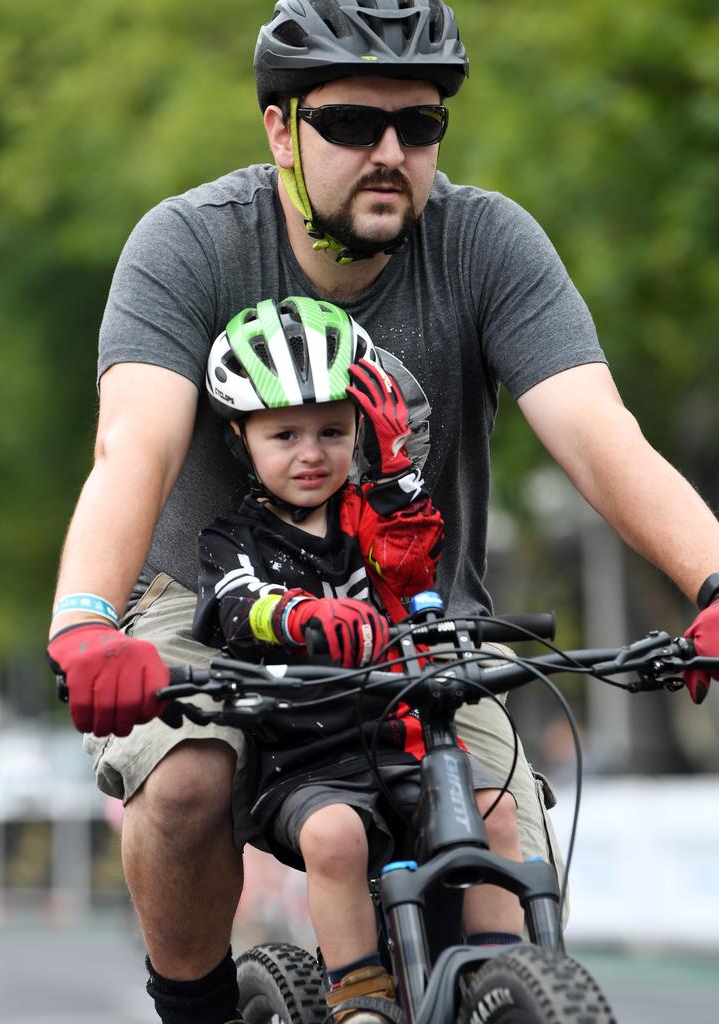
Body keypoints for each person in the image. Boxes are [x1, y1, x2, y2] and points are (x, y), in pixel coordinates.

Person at [46, 3, 719, 1022]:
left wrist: (713, 577)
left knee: (501, 838)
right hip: (207, 603)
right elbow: (130, 446)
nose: (391, 152)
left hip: (411, 612)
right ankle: (193, 1009)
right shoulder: (187, 245)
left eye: (421, 124)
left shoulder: (487, 242)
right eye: (354, 123)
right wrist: (86, 617)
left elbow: (600, 435)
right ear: (281, 128)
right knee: (184, 784)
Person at [192, 295, 524, 1022]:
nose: (311, 453)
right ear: (239, 441)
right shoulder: (233, 538)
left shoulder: (371, 513)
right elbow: (231, 602)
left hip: (400, 739)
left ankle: (507, 978)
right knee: (338, 836)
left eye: (333, 431)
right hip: (305, 763)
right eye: (284, 434)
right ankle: (359, 994)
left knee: (496, 808)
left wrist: (395, 467)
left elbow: (408, 569)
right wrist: (301, 615)